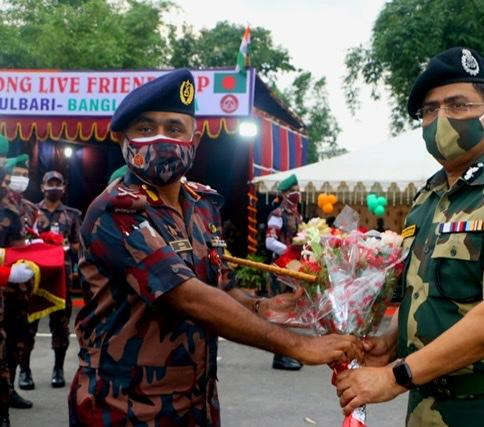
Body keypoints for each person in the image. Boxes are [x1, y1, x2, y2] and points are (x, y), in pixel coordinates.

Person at [68, 69, 361, 426]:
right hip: (125, 407)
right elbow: (189, 296)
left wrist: (263, 305)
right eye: (145, 129)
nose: (161, 139)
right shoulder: (116, 210)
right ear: (121, 138)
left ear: (195, 138)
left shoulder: (201, 204)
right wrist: (299, 346)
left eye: (174, 128)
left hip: (196, 404)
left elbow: (219, 286)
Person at [335, 47, 484, 425]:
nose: (440, 119)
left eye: (457, 105)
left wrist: (395, 377)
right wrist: (389, 344)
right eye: (430, 110)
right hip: (426, 404)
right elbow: (423, 291)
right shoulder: (427, 200)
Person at [19, 171, 82, 390]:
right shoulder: (31, 212)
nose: (54, 188)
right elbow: (23, 241)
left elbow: (79, 245)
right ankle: (24, 371)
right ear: (43, 186)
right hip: (34, 276)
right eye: (50, 184)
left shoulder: (73, 215)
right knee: (28, 325)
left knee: (61, 325)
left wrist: (64, 246)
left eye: (58, 184)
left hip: (60, 277)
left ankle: (58, 369)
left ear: (63, 187)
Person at [0, 155, 39, 413]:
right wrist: (6, 272)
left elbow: (22, 239)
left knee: (16, 342)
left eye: (25, 172)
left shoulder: (26, 207)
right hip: (4, 285)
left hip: (19, 291)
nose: (20, 177)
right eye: (16, 171)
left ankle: (10, 390)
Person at [265, 174, 304, 371]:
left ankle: (287, 353)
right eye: (292, 191)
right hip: (279, 270)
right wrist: (290, 250)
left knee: (289, 313)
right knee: (279, 313)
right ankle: (279, 357)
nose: (296, 193)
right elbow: (269, 242)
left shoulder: (297, 215)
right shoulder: (277, 215)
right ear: (283, 194)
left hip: (292, 270)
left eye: (297, 189)